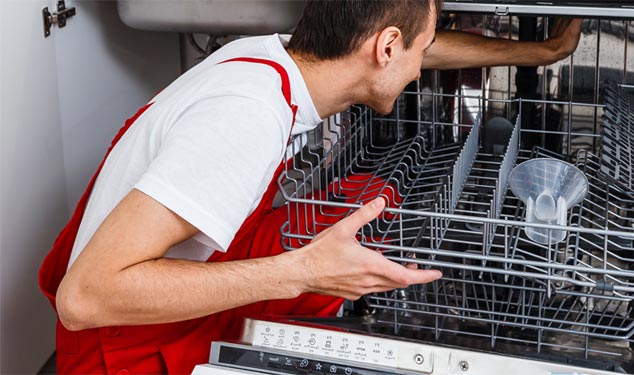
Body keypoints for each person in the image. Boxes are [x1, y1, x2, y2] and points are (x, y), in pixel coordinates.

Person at [38, 1, 582, 373]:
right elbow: (84, 299)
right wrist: (299, 272)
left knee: (368, 199)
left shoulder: (272, 56)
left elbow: (417, 50)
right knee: (322, 251)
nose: (423, 70)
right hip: (122, 348)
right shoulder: (248, 117)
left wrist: (542, 53)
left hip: (165, 286)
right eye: (422, 51)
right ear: (388, 47)